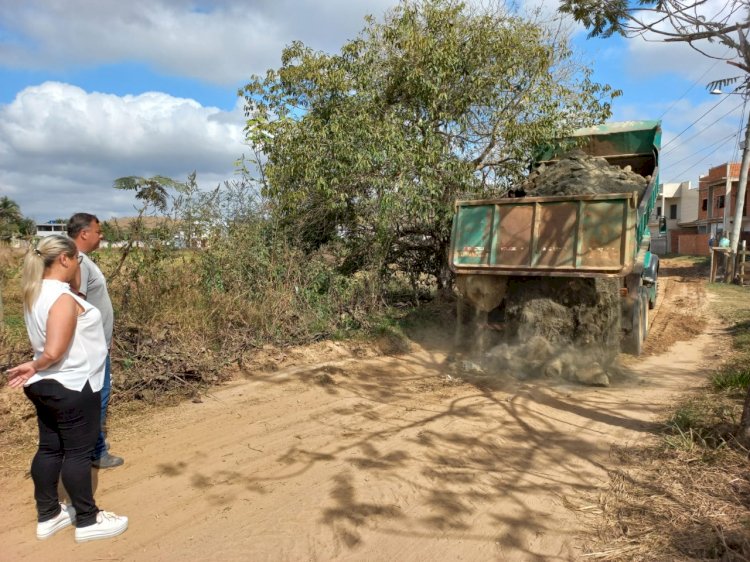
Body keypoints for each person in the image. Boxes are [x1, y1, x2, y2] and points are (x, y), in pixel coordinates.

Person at [6, 235, 128, 542]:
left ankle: (48, 515)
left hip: (48, 386)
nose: (79, 265)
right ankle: (88, 520)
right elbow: (55, 350)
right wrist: (35, 364)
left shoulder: (35, 292)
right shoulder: (61, 299)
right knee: (78, 453)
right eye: (77, 259)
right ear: (64, 259)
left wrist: (37, 366)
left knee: (50, 448)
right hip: (73, 383)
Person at [67, 213, 124, 469]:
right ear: (84, 233)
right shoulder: (77, 261)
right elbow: (75, 306)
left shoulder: (81, 260)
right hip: (92, 347)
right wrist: (93, 341)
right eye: (98, 232)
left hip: (98, 344)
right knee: (97, 396)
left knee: (96, 396)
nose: (101, 237)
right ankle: (95, 451)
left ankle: (94, 442)